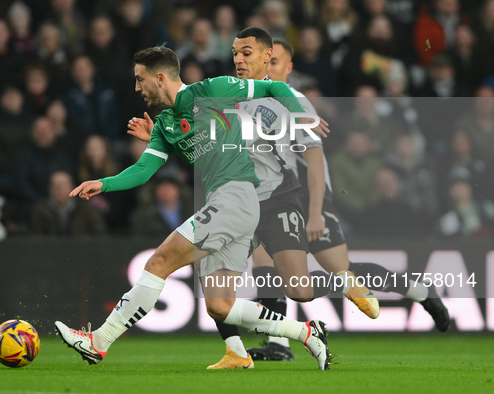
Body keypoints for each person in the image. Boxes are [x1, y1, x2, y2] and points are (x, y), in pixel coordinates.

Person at [55, 45, 333, 371]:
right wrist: (104, 183)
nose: (136, 88)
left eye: (139, 79)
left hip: (237, 197)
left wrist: (297, 114)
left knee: (159, 261)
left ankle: (98, 342)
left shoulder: (212, 89)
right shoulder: (165, 125)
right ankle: (308, 333)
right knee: (220, 306)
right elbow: (143, 171)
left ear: (160, 78)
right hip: (227, 203)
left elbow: (273, 85)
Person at [126, 30, 377, 370]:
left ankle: (342, 282)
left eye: (247, 53)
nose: (239, 60)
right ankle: (235, 350)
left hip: (275, 195)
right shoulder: (222, 89)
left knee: (298, 289)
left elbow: (311, 155)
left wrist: (316, 208)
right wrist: (164, 137)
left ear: (267, 56)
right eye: (235, 54)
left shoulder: (287, 97)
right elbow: (200, 138)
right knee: (209, 273)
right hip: (233, 197)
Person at [211, 35, 450, 366]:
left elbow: (315, 160)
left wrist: (315, 212)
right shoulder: (240, 96)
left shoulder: (293, 100)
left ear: (285, 67)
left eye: (275, 62)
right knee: (266, 266)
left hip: (308, 196)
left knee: (340, 271)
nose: (265, 66)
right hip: (267, 198)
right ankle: (278, 343)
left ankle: (420, 291)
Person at [30, 170, 106, 235]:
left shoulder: (87, 209)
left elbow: (99, 235)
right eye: (55, 185)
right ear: (50, 189)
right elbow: (36, 238)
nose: (59, 189)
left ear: (72, 187)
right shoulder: (40, 210)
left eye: (63, 185)